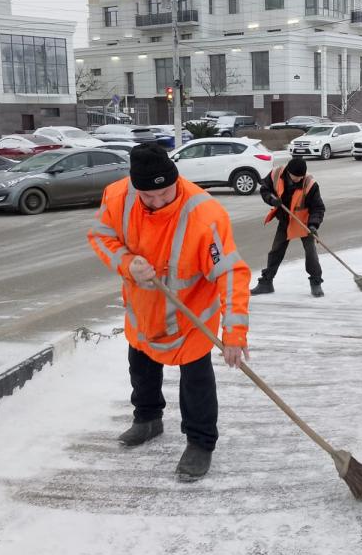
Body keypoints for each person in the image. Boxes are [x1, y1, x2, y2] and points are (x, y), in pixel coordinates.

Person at [87, 143, 250, 482]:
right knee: (141, 367)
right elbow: (101, 237)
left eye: (165, 193)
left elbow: (230, 273)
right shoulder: (118, 198)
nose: (158, 201)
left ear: (176, 180)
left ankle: (200, 442)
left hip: (191, 316)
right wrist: (128, 263)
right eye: (148, 196)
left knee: (196, 382)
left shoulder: (205, 215)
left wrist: (234, 333)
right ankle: (147, 419)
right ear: (135, 187)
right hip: (144, 309)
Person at [250, 157, 325, 298]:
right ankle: (266, 283)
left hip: (305, 223)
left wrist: (313, 225)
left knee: (311, 253)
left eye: (301, 176)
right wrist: (271, 200)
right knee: (276, 251)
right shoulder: (276, 174)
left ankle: (316, 283)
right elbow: (265, 189)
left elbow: (318, 208)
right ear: (288, 172)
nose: (299, 179)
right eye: (296, 176)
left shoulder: (310, 184)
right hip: (285, 220)